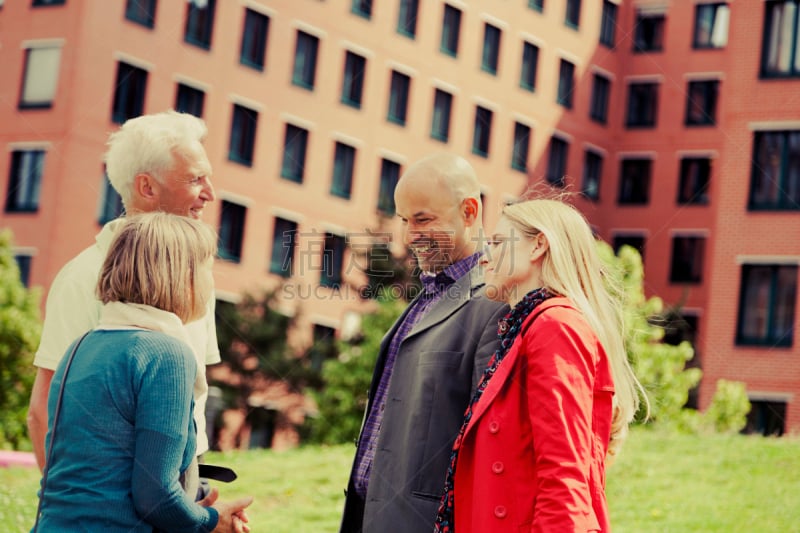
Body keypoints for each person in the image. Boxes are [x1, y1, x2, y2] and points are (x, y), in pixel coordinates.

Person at [433, 198, 646, 533]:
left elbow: (564, 473)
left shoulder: (555, 326)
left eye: (499, 243)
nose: (484, 255)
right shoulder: (523, 329)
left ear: (538, 246)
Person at [27, 110, 219, 482]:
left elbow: (193, 410)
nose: (210, 193)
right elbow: (44, 410)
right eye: (196, 179)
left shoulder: (197, 275)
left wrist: (199, 506)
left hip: (181, 485)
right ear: (147, 188)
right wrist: (71, 505)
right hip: (108, 493)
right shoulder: (84, 277)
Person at [33, 213, 252, 532]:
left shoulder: (80, 347)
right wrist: (211, 520)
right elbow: (156, 498)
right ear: (181, 275)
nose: (212, 281)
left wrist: (188, 513)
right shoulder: (167, 355)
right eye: (208, 267)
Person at [340, 153, 508, 533]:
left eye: (423, 219)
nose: (409, 235)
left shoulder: (495, 303)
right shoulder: (428, 295)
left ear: (469, 211)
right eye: (403, 220)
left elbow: (488, 444)